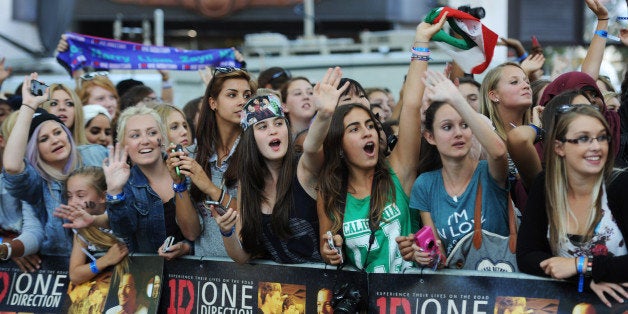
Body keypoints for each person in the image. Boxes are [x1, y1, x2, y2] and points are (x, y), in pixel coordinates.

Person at [317, 17, 447, 273]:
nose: (368, 133)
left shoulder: (397, 172)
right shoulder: (330, 192)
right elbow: (327, 246)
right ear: (339, 146)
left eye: (370, 125)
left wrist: (421, 42)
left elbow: (410, 105)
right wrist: (329, 251)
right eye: (354, 129)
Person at [216, 68, 345, 263]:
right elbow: (243, 256)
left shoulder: (303, 169)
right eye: (262, 127)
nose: (273, 131)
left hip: (322, 287)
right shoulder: (248, 183)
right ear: (250, 139)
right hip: (281, 291)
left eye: (278, 123)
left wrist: (324, 114)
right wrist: (227, 232)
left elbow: (312, 147)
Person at [516, 105, 628, 307]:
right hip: (568, 302)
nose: (596, 146)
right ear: (559, 147)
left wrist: (582, 265)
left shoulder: (621, 185)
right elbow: (527, 256)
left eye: (602, 137)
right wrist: (583, 279)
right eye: (583, 138)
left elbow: (570, 265)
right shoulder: (546, 184)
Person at [402, 70, 508, 269]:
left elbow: (499, 152)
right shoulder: (425, 184)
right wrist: (422, 255)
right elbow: (438, 258)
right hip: (457, 294)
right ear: (430, 137)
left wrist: (457, 99)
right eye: (447, 127)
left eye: (464, 125)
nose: (458, 133)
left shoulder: (489, 172)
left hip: (500, 288)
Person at [2, 73, 108, 256]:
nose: (55, 140)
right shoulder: (36, 181)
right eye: (44, 139)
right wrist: (28, 105)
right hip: (62, 268)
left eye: (58, 132)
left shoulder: (96, 153)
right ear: (34, 150)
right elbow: (12, 167)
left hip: (112, 258)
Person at [105, 106, 200, 256]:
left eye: (152, 133)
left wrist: (186, 248)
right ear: (124, 145)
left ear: (162, 138)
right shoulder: (125, 183)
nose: (145, 140)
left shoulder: (187, 168)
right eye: (135, 135)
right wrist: (114, 192)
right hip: (149, 274)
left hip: (196, 273)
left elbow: (196, 234)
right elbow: (123, 231)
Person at [187, 67, 255, 258]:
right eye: (232, 95)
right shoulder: (194, 154)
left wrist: (210, 187)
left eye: (247, 95)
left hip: (251, 272)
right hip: (203, 272)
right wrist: (177, 185)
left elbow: (252, 219)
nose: (242, 101)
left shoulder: (257, 150)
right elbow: (190, 232)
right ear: (213, 102)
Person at [58, 167, 129, 285]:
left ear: (103, 197)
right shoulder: (82, 228)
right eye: (69, 196)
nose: (72, 202)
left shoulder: (123, 215)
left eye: (80, 196)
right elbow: (75, 275)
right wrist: (104, 261)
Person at [0, 111, 44, 272]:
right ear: (2, 141)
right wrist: (7, 246)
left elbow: (35, 231)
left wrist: (13, 247)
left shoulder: (41, 176)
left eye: (36, 138)